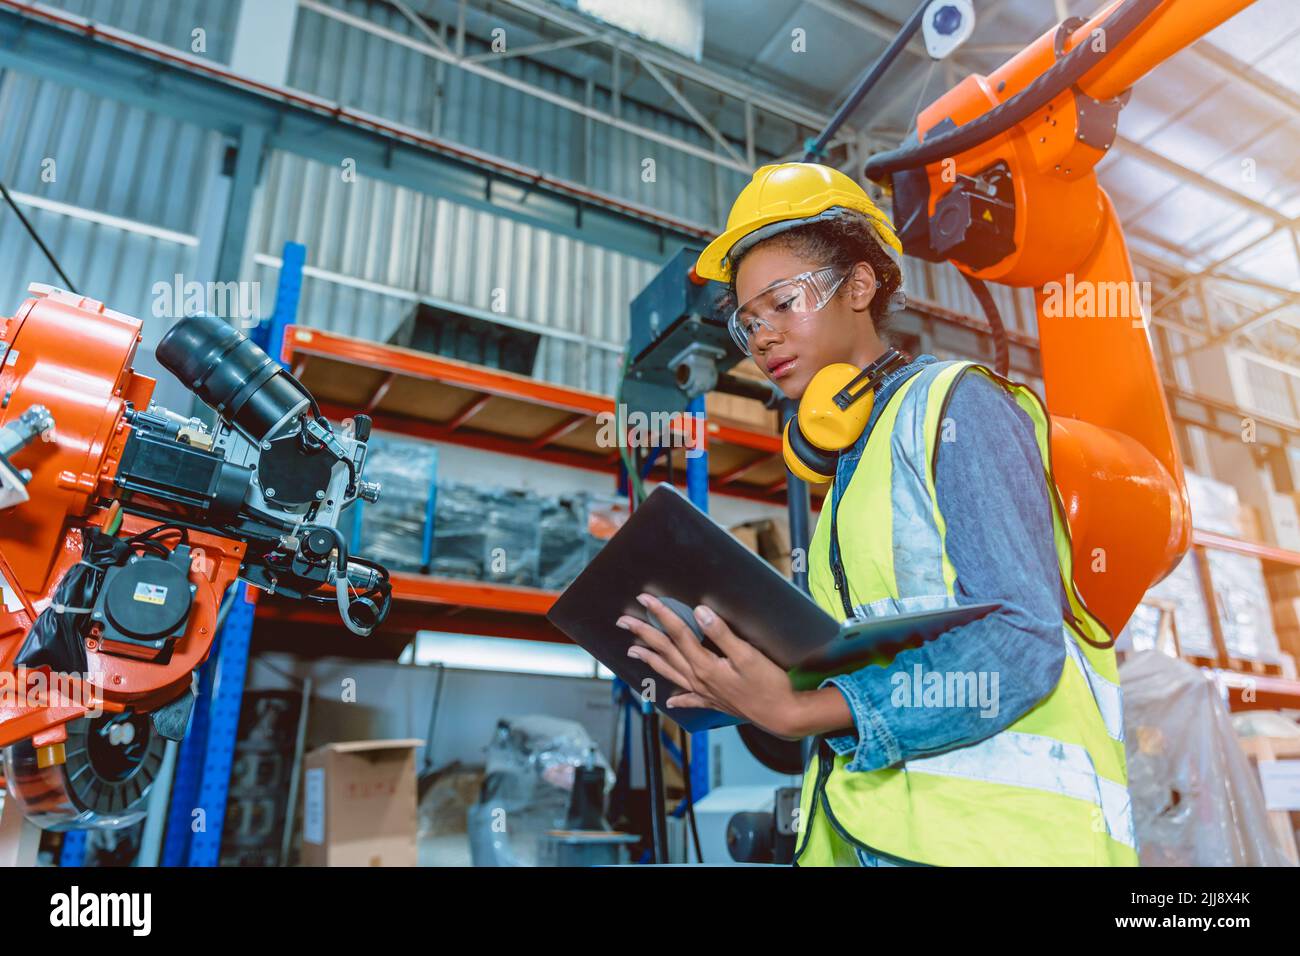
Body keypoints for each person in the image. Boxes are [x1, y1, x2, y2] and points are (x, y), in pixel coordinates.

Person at [615, 163, 1136, 867]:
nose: (764, 336)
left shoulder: (957, 407)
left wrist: (802, 709)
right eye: (748, 321)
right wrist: (748, 688)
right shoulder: (853, 472)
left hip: (1000, 845)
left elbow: (1020, 642)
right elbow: (872, 668)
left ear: (859, 286)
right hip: (875, 839)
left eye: (783, 302)